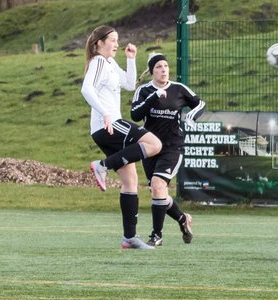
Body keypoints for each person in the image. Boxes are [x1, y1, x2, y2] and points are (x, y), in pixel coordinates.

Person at [82, 25, 164, 250]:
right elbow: (86, 89)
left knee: (130, 181)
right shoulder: (98, 61)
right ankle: (102, 166)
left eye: (118, 40)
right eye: (112, 40)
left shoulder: (109, 63)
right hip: (108, 124)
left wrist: (130, 59)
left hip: (107, 126)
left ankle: (129, 238)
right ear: (99, 43)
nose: (117, 44)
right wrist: (105, 113)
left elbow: (129, 84)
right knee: (154, 144)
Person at [130, 53, 204, 246]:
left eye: (166, 66)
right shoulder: (144, 91)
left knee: (157, 184)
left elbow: (200, 103)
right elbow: (135, 115)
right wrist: (153, 98)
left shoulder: (178, 89)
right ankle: (182, 219)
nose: (164, 70)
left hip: (173, 146)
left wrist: (191, 116)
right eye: (158, 67)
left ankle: (157, 235)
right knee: (158, 191)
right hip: (150, 146)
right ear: (152, 71)